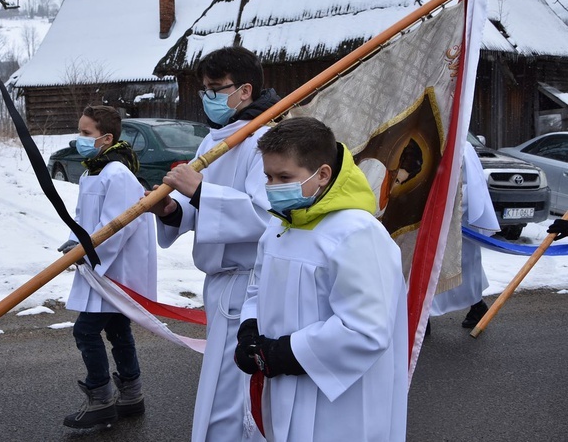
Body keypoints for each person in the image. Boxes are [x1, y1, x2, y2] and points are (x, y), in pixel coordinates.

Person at [235, 117, 408, 441]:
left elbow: (366, 329)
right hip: (281, 383)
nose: (272, 188)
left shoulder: (357, 233)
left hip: (337, 403)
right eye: (268, 177)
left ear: (323, 174)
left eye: (284, 177)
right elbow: (258, 289)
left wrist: (283, 354)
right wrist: (248, 330)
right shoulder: (279, 227)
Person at [147, 46, 279, 441]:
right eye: (204, 89)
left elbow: (267, 217)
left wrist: (202, 191)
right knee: (220, 385)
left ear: (244, 91)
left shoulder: (265, 141)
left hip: (249, 279)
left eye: (216, 88)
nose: (208, 97)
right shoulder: (214, 141)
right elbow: (198, 211)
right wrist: (173, 209)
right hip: (220, 284)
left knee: (238, 390)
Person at [60, 105, 157, 429]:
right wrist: (74, 240)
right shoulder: (94, 171)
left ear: (107, 138)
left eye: (86, 133)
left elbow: (118, 225)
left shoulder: (117, 173)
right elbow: (88, 219)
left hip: (116, 267)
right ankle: (132, 394)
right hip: (100, 263)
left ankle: (101, 398)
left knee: (85, 330)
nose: (80, 139)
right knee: (116, 329)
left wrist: (86, 251)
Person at [431, 141, 500, 329]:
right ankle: (423, 316)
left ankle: (477, 306)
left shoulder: (462, 145)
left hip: (458, 220)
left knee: (465, 268)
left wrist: (452, 214)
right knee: (429, 267)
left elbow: (470, 186)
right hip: (433, 218)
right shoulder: (434, 137)